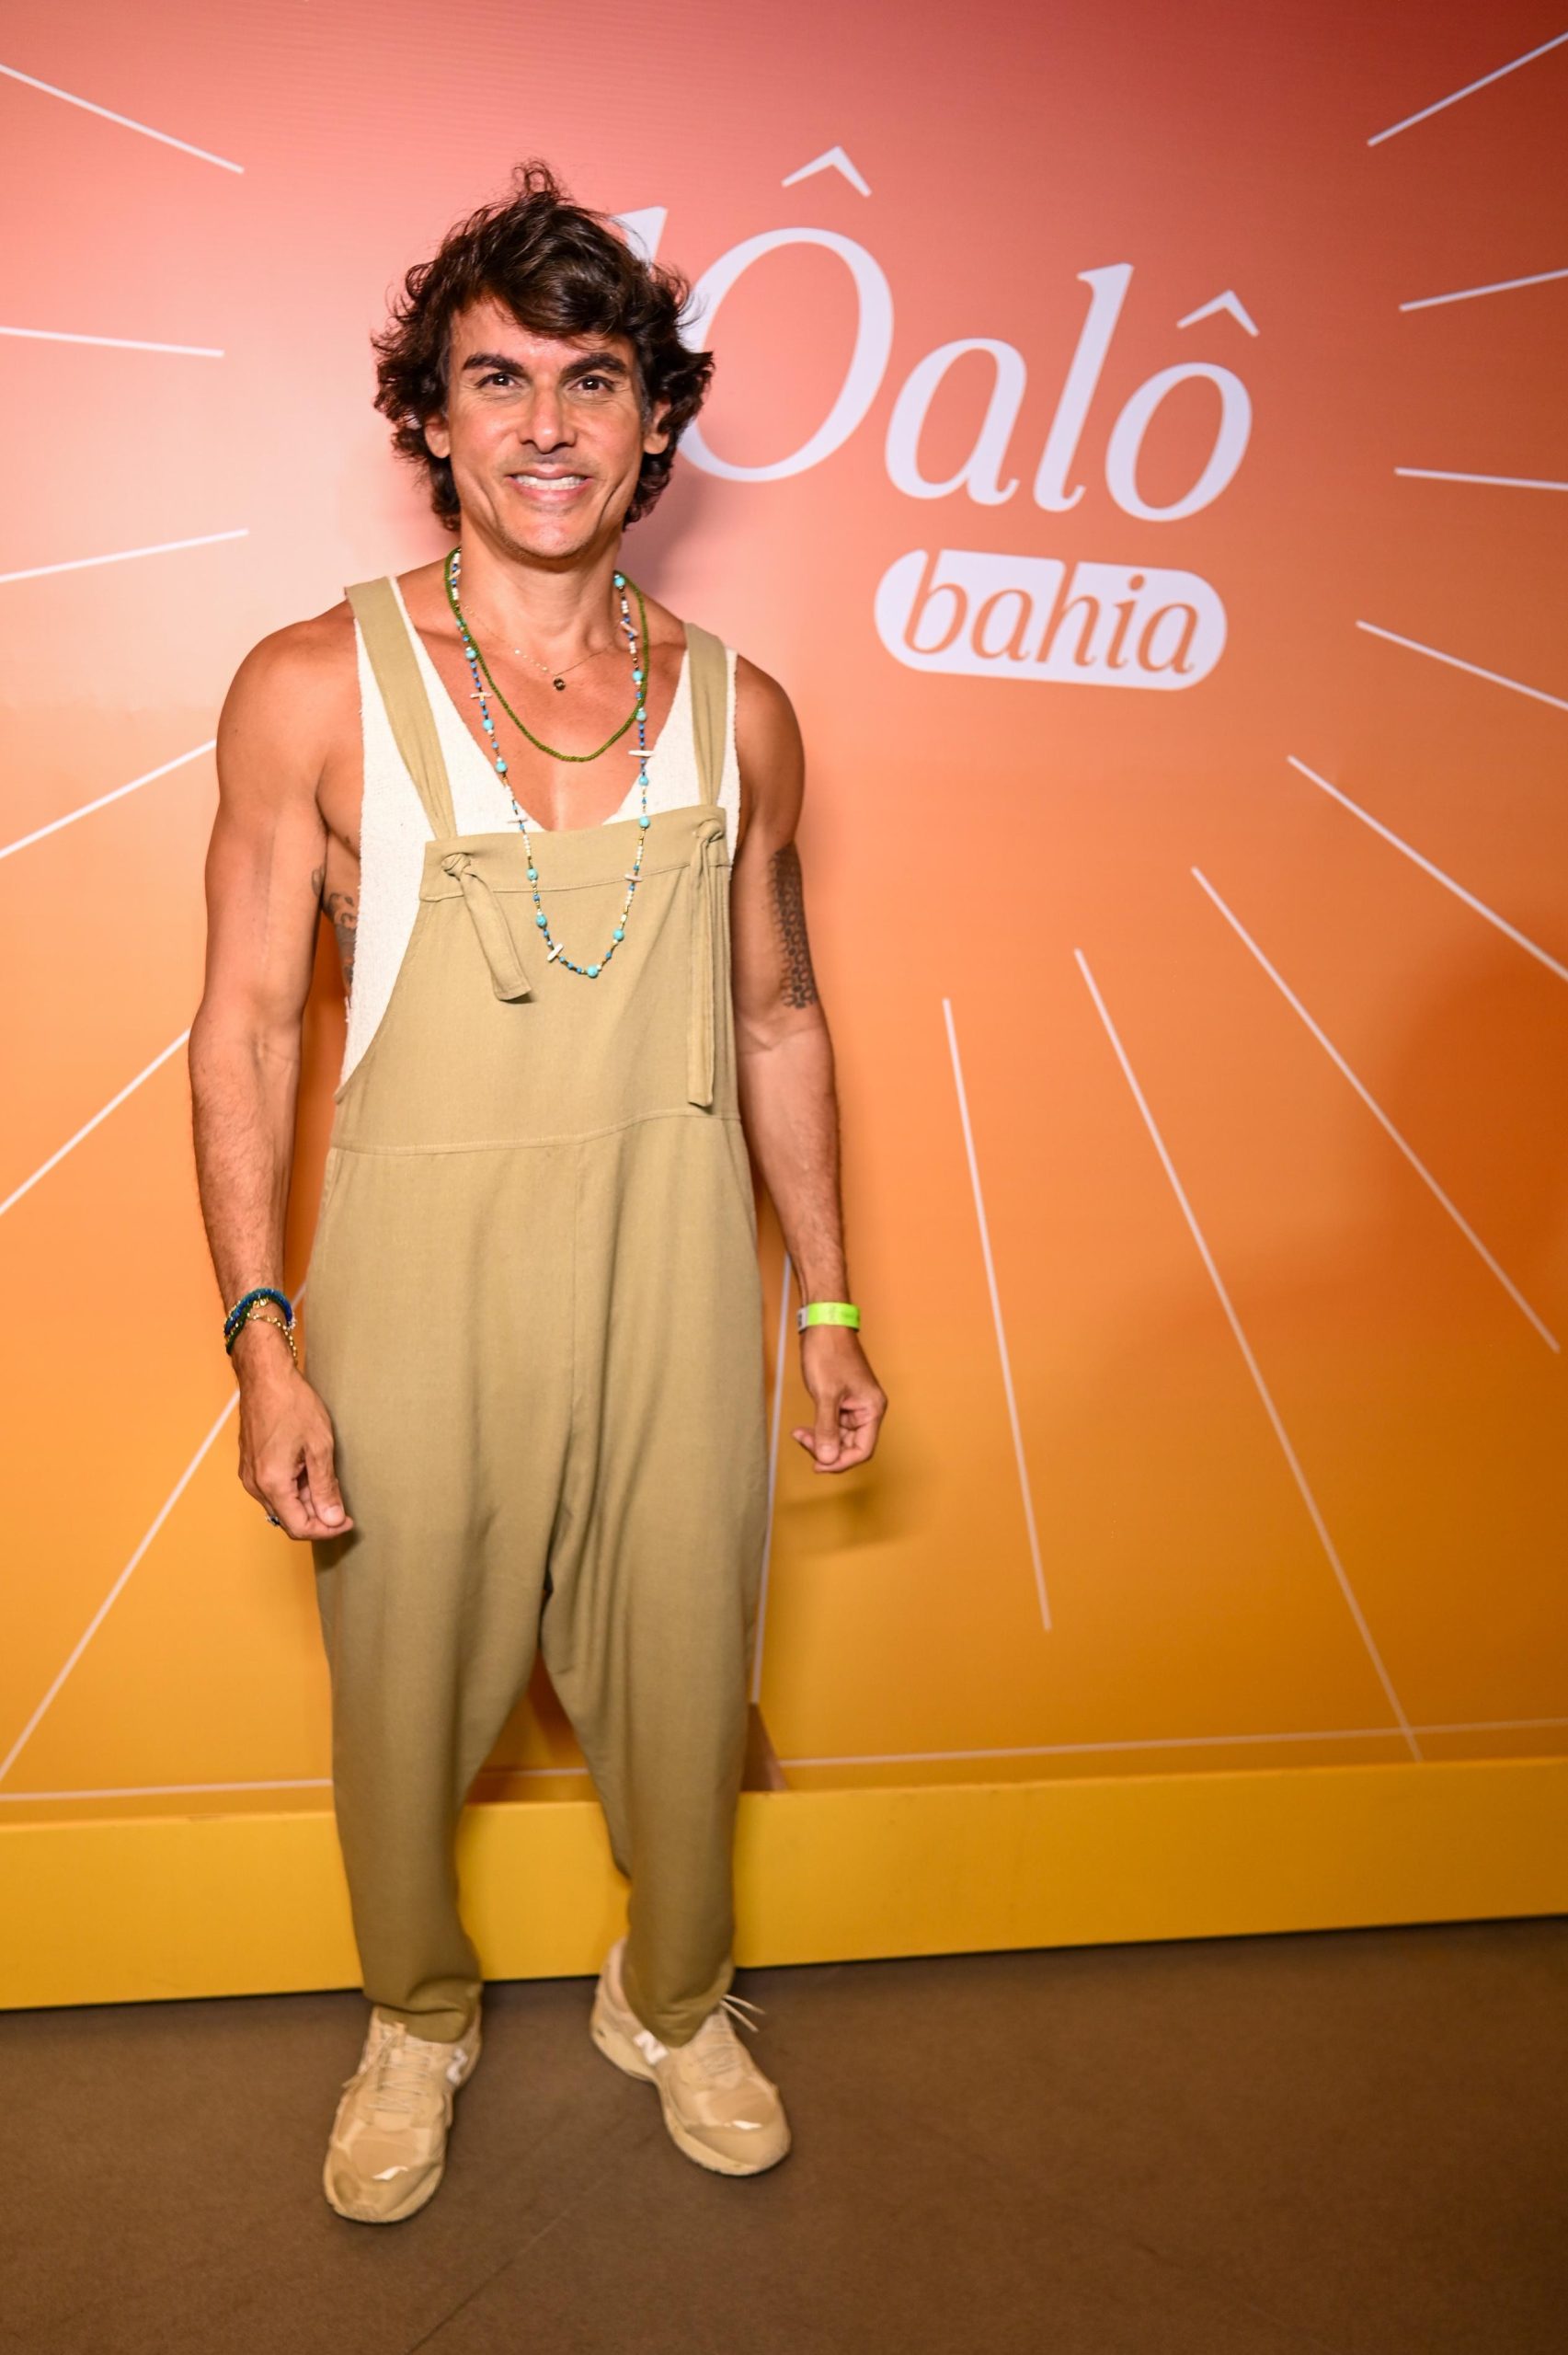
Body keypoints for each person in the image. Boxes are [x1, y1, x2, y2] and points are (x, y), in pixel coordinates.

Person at [187, 158, 887, 2223]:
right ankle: (415, 2013)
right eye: (497, 379)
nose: (549, 425)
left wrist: (827, 1301)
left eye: (594, 380)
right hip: (413, 1287)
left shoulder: (743, 712)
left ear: (655, 421)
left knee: (681, 1675)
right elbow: (244, 1031)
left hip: (671, 1279)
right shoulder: (309, 689)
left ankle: (671, 1998)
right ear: (430, 416)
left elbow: (779, 1016)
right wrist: (261, 1338)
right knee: (401, 1693)